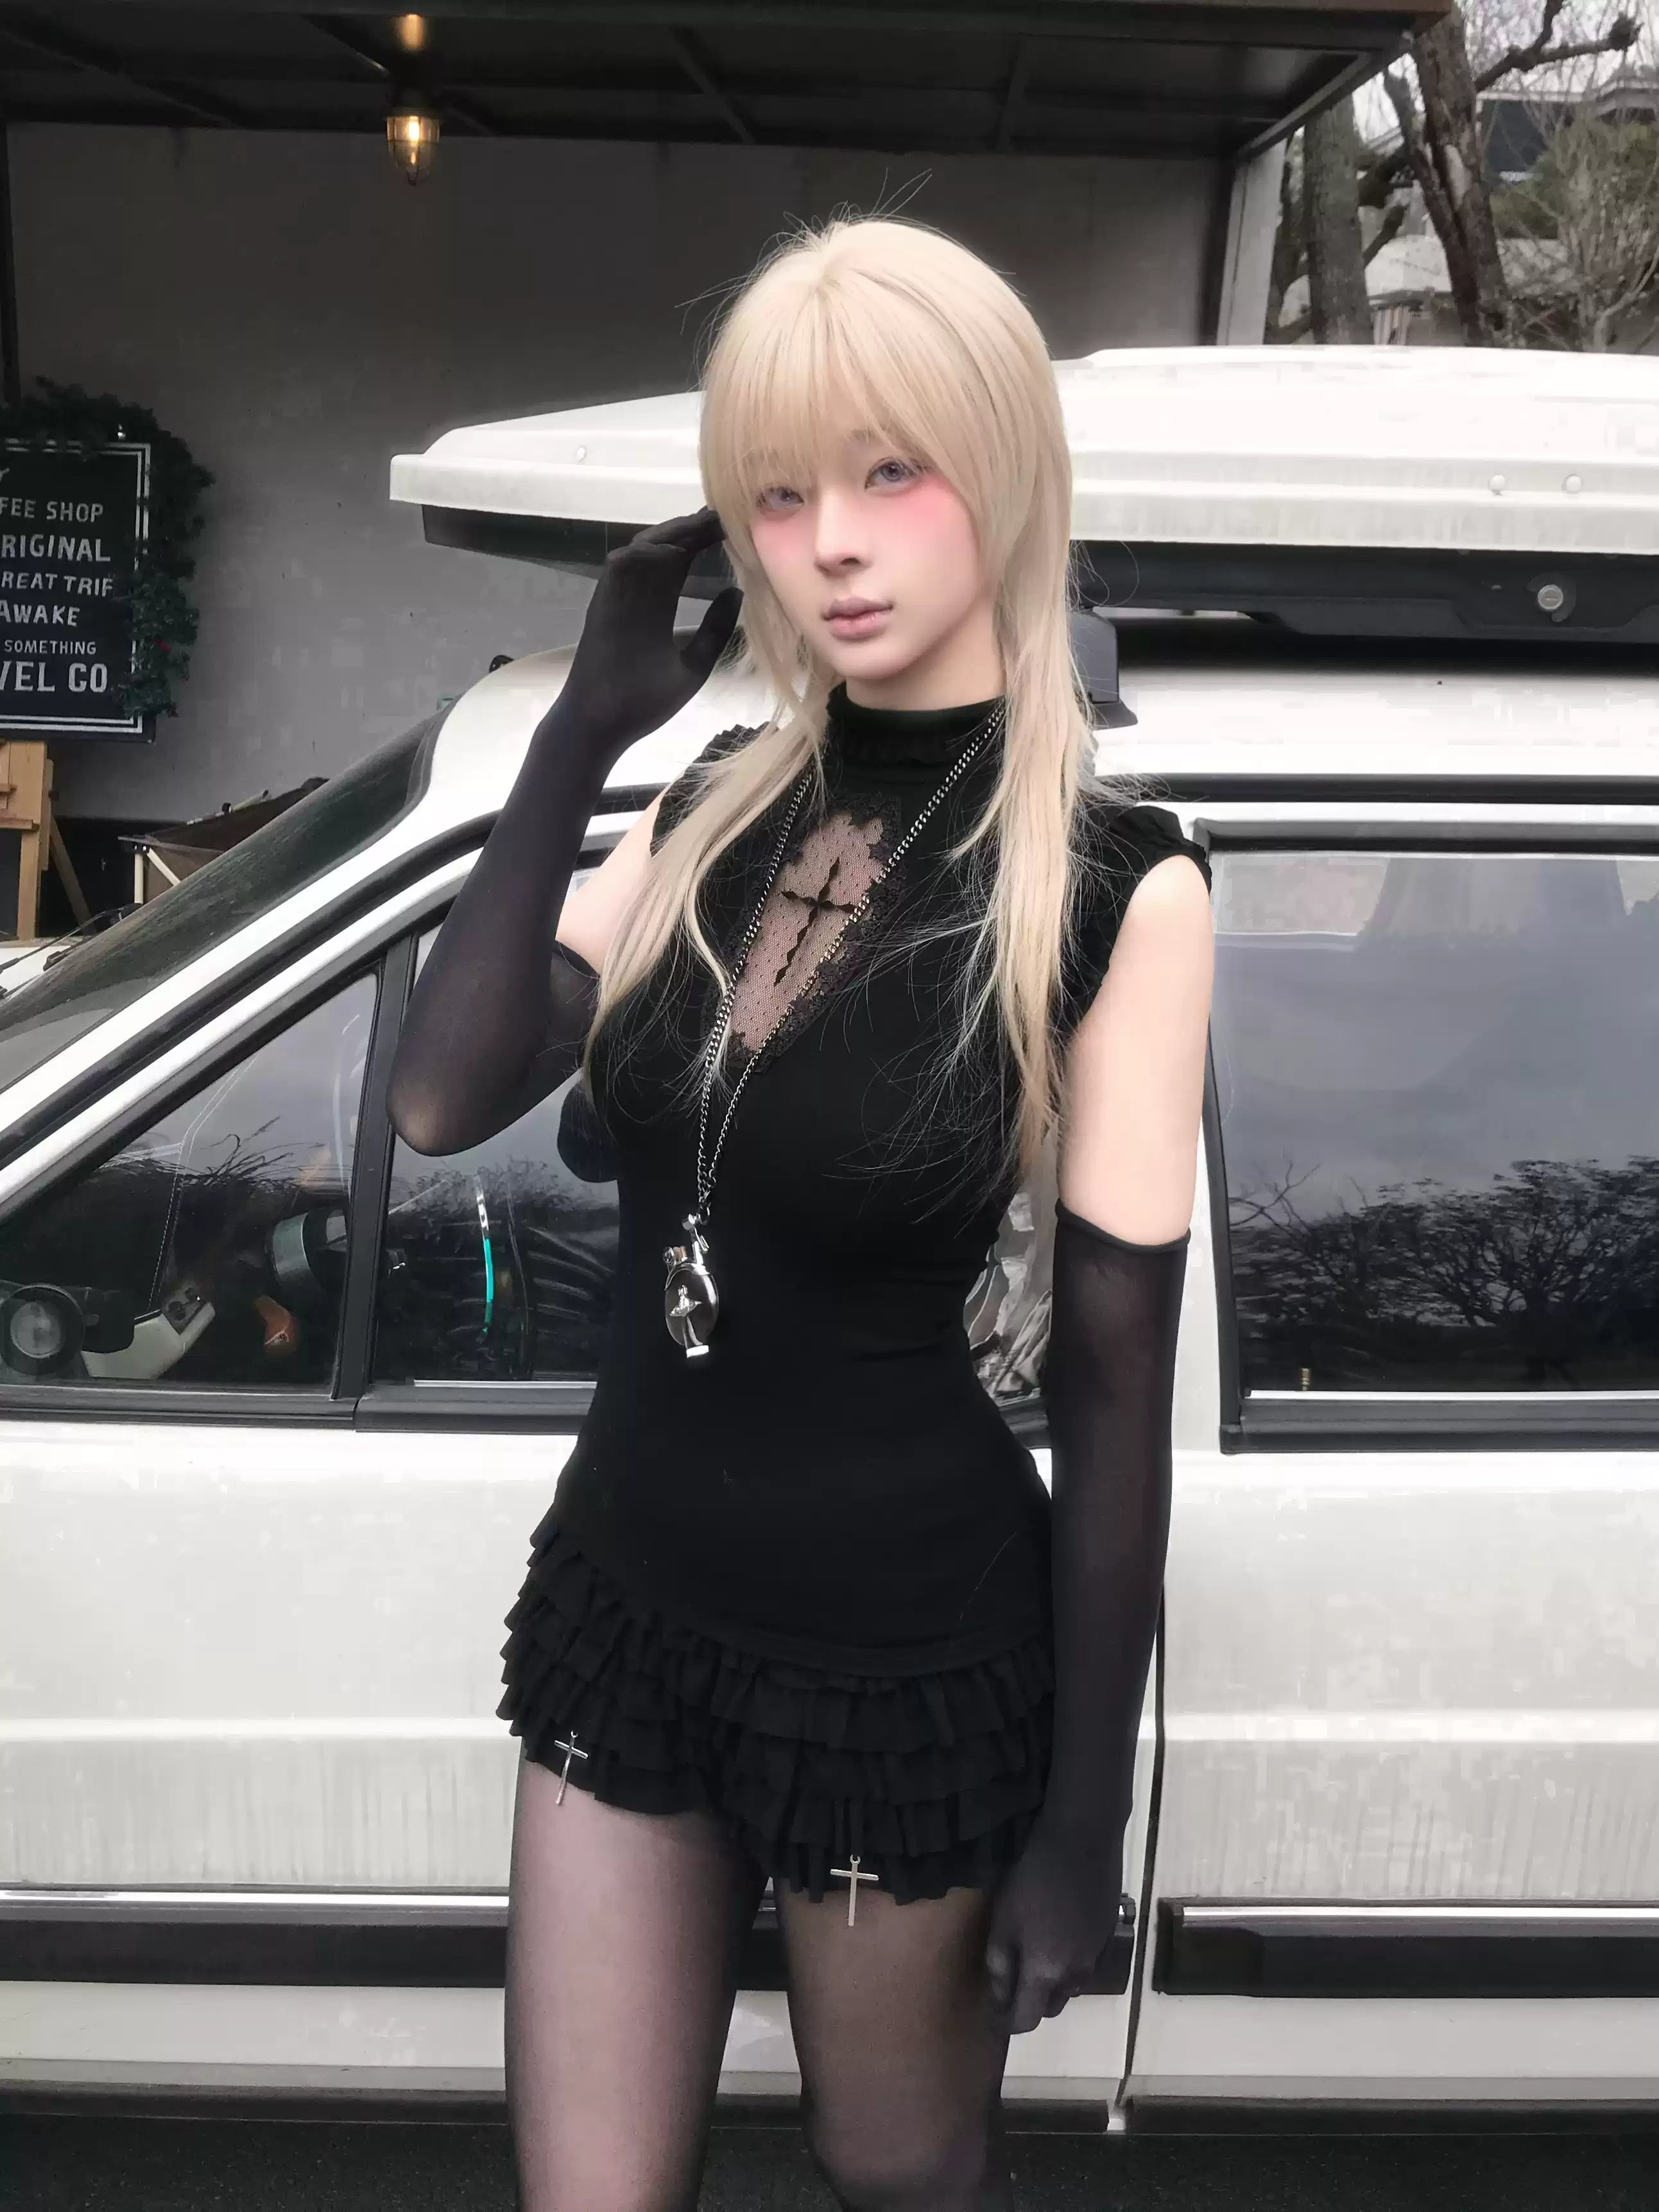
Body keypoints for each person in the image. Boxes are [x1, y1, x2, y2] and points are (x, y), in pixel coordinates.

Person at [386, 214, 1214, 2212]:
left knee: (893, 2173)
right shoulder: (715, 808)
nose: (828, 543)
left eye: (887, 472)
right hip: (627, 1603)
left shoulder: (1113, 881)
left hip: (901, 1665)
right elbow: (440, 1094)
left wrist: (1079, 1829)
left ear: (999, 470)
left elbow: (1114, 1386)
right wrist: (579, 733)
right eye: (775, 494)